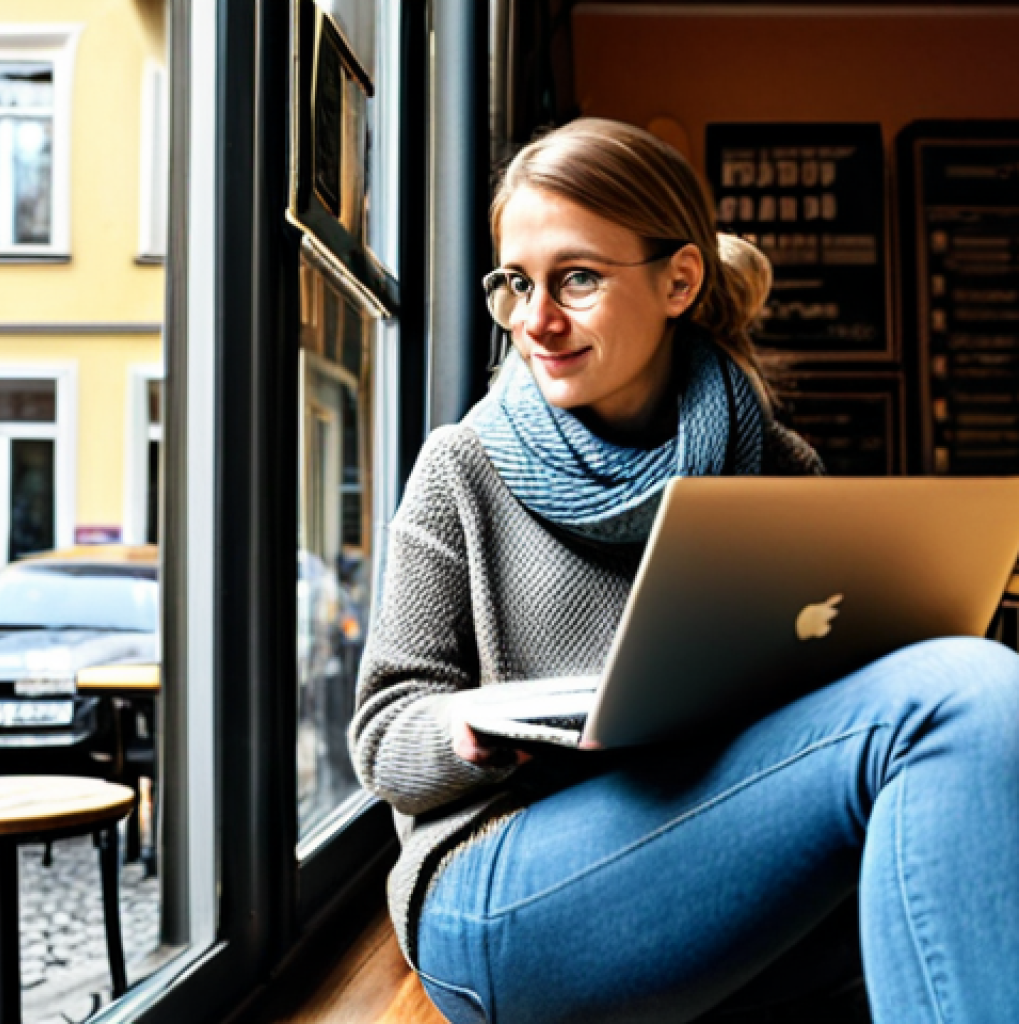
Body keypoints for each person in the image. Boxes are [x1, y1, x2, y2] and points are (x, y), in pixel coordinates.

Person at [350, 118, 1019, 1024]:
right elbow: (384, 739)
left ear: (680, 280)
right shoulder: (460, 467)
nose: (536, 320)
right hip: (502, 892)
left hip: (717, 861)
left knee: (960, 745)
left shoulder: (775, 464)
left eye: (576, 279)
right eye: (515, 283)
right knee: (974, 694)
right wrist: (468, 726)